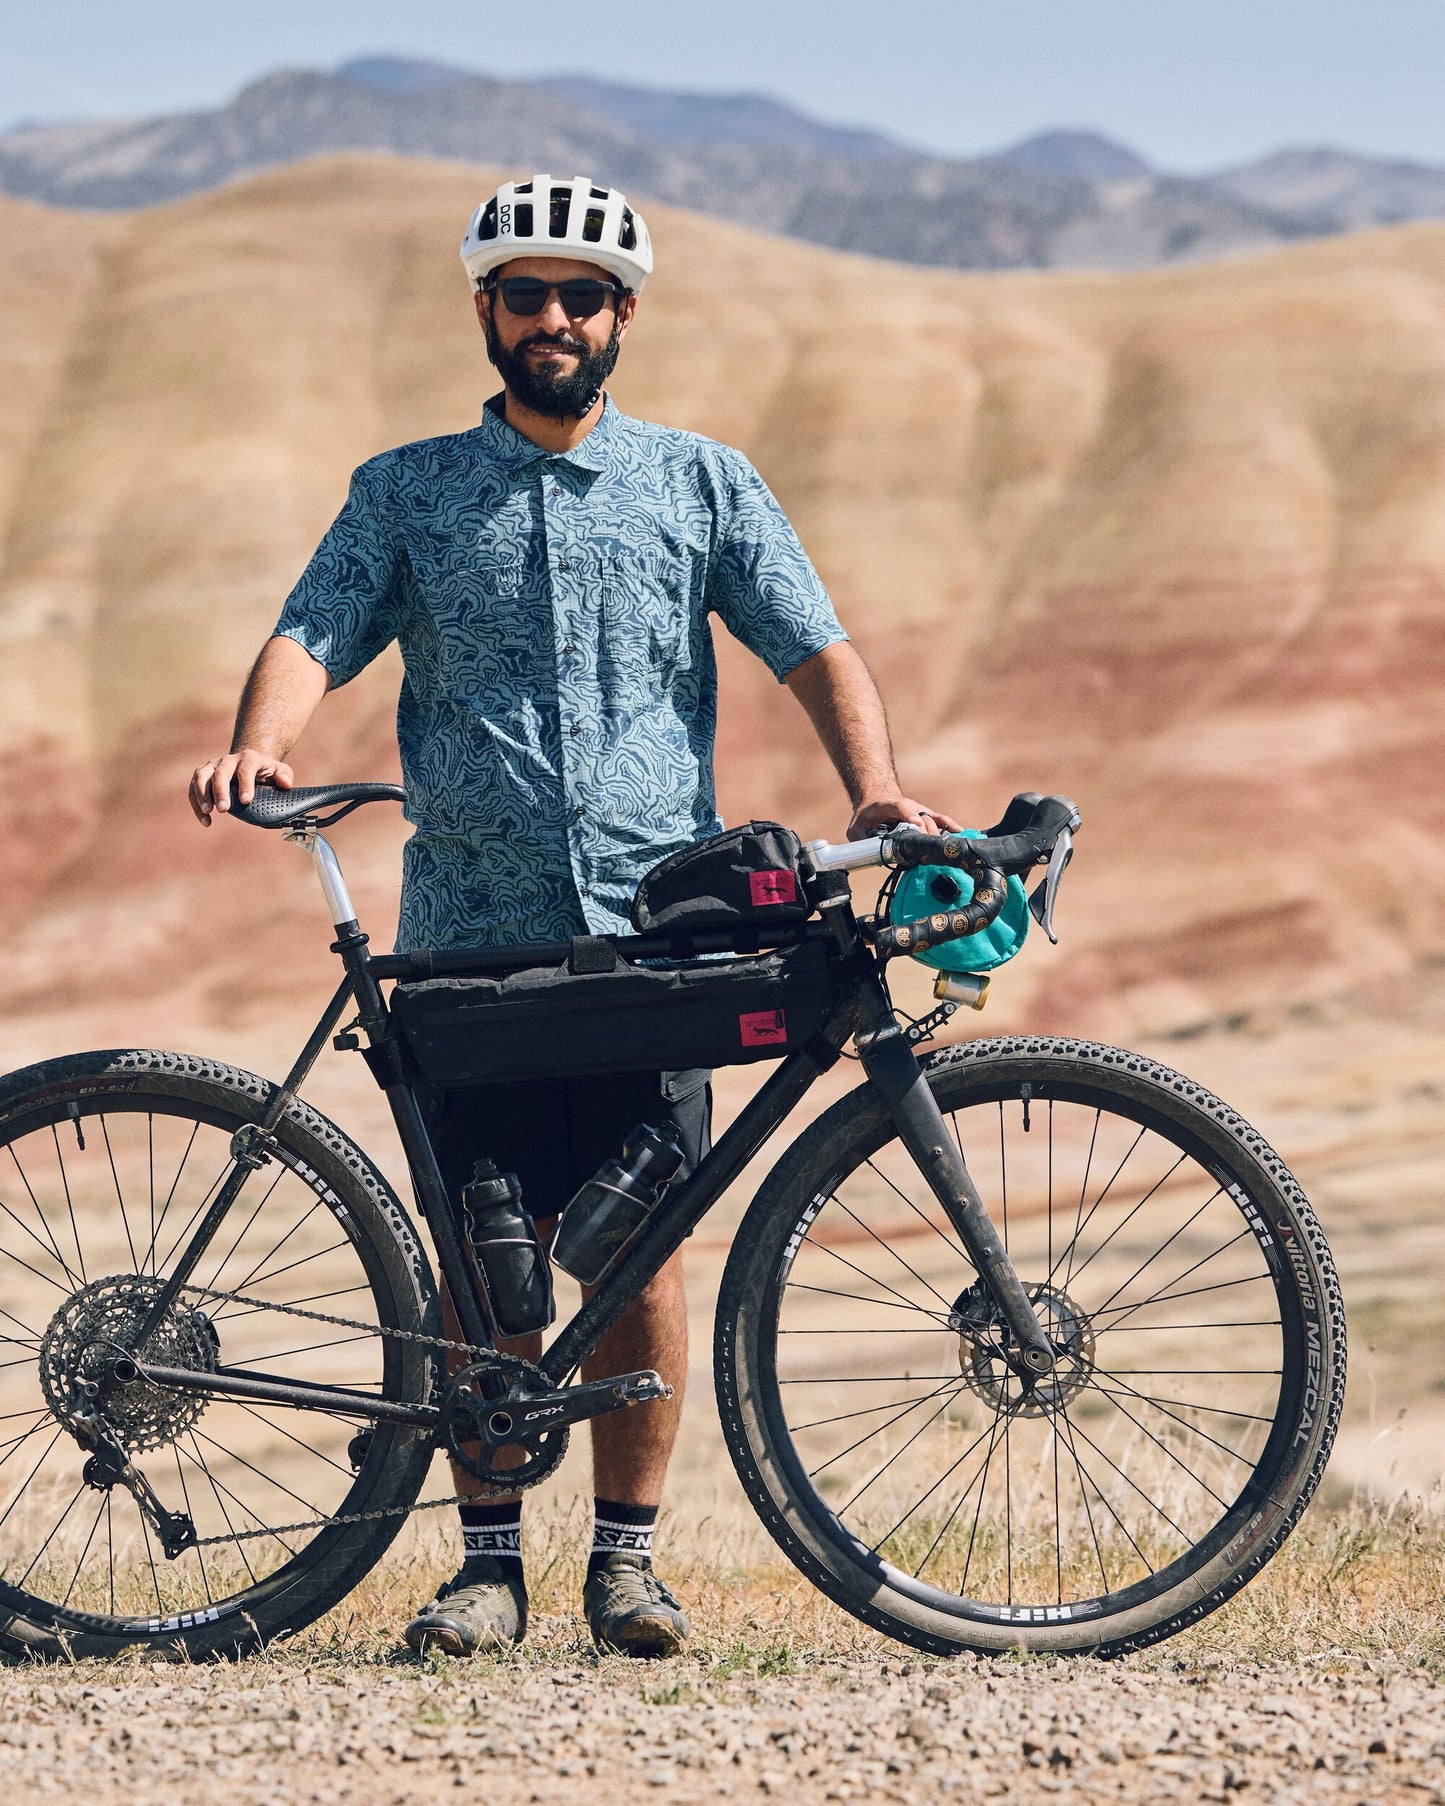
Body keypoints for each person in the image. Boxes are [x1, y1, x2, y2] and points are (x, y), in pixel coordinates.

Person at [189, 173, 959, 1661]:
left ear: (624, 318)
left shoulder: (703, 482)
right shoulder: (405, 490)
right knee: (482, 1246)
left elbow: (816, 645)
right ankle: (485, 1568)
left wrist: (873, 790)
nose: (555, 317)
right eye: (527, 294)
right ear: (485, 310)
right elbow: (311, 630)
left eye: (584, 296)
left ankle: (627, 1567)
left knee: (641, 1243)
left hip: (654, 936)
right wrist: (261, 741)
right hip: (470, 934)